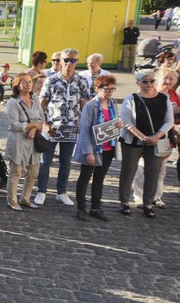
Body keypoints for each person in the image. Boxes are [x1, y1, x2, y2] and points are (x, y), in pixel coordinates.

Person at [34, 48, 91, 207]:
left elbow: (85, 104)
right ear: (60, 61)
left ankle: (61, 192)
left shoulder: (81, 81)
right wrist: (44, 124)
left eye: (73, 60)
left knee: (66, 162)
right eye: (66, 60)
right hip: (52, 127)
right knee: (46, 161)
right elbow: (41, 105)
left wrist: (84, 124)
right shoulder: (51, 80)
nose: (68, 63)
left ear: (76, 62)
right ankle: (41, 191)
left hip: (71, 128)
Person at [118, 69, 173, 218]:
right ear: (138, 83)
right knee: (128, 171)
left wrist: (156, 136)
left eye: (151, 81)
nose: (149, 84)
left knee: (153, 172)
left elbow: (169, 121)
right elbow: (127, 122)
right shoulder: (131, 98)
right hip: (133, 142)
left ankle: (148, 204)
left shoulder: (163, 98)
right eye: (145, 81)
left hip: (156, 142)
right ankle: (124, 202)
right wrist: (143, 137)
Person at [72, 75, 122, 221]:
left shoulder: (112, 103)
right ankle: (81, 208)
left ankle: (95, 207)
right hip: (93, 149)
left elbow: (113, 122)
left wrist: (119, 124)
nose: (110, 92)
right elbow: (85, 130)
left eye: (113, 89)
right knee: (85, 178)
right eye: (107, 89)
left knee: (99, 179)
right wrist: (89, 152)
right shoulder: (91, 105)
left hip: (108, 148)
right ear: (98, 88)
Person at [133, 68, 180, 208]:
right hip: (146, 135)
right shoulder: (150, 92)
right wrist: (172, 111)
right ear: (158, 79)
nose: (168, 81)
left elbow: (175, 119)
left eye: (171, 79)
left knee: (160, 170)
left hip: (165, 138)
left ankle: (156, 197)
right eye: (166, 78)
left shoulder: (174, 95)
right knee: (143, 169)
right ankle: (139, 197)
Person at [5, 73, 45, 210]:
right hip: (18, 140)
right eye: (24, 82)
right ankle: (12, 200)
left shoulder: (35, 99)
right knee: (15, 172)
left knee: (33, 172)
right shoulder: (13, 102)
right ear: (18, 84)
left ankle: (25, 198)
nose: (28, 84)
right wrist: (33, 126)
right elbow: (14, 124)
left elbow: (41, 119)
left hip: (33, 141)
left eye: (30, 82)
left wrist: (34, 129)